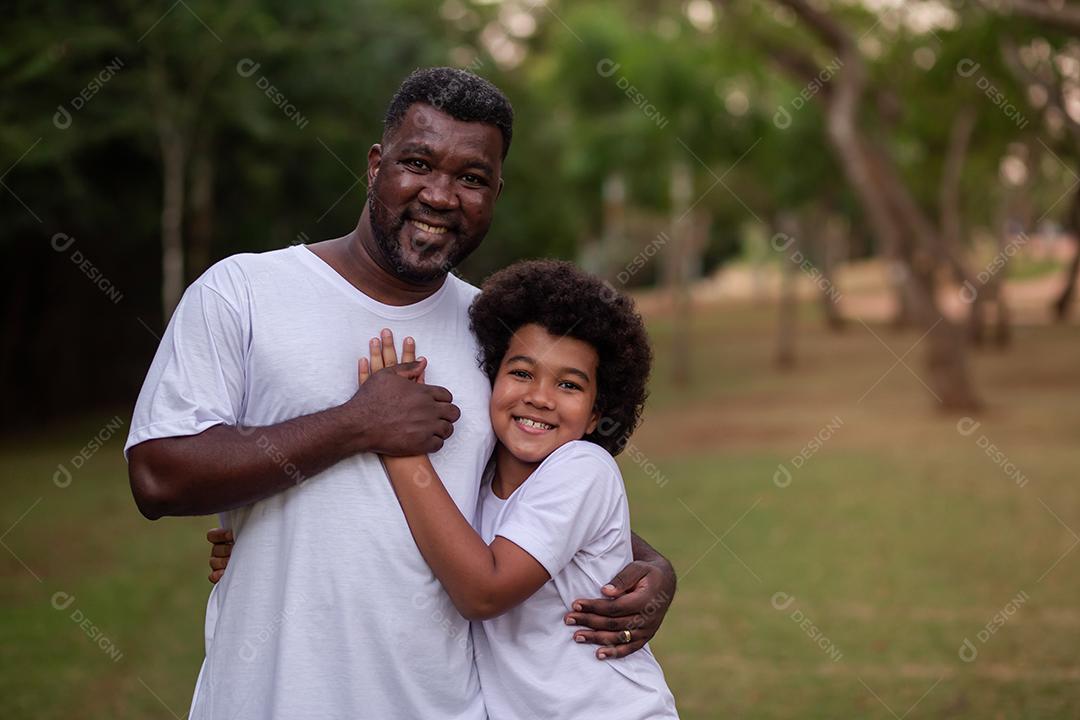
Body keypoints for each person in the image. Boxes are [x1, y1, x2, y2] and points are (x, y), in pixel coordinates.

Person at [126, 67, 675, 719]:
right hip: (269, 697)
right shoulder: (243, 293)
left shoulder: (498, 337)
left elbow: (528, 493)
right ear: (376, 165)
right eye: (418, 163)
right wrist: (357, 424)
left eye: (471, 178)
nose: (441, 195)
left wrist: (649, 564)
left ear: (495, 191)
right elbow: (158, 478)